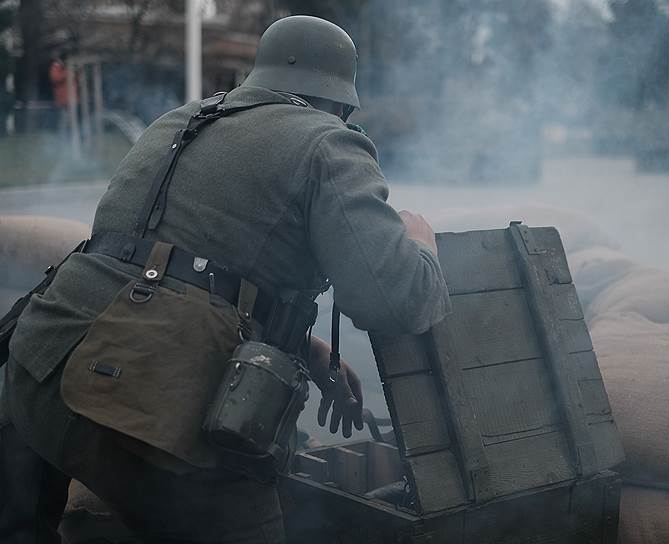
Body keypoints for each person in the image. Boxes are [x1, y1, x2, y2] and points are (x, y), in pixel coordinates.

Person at [0, 15, 450, 544]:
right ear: (340, 101)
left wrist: (304, 346)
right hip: (140, 409)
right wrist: (420, 245)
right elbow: (394, 302)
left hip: (34, 373)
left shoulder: (181, 119)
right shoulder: (330, 144)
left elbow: (170, 264)